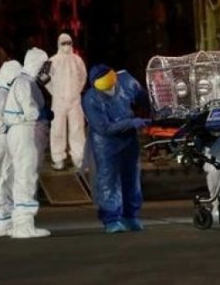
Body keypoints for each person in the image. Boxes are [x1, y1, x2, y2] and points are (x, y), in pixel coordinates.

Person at [81, 65, 150, 233]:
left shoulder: (126, 81)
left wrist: (151, 111)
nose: (111, 89)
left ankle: (130, 215)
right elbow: (104, 128)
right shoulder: (90, 99)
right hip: (105, 143)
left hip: (129, 140)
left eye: (112, 83)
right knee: (108, 179)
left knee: (131, 177)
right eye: (105, 86)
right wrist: (131, 122)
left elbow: (144, 98)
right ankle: (111, 218)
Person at [4, 47, 52, 239]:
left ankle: (21, 223)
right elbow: (31, 111)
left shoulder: (26, 82)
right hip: (25, 132)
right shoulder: (24, 83)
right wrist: (42, 115)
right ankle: (24, 225)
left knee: (24, 176)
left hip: (23, 132)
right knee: (26, 176)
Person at [0, 60, 22, 237]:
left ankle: (8, 219)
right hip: (2, 140)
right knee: (2, 180)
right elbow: (8, 119)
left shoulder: (3, 94)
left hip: (5, 139)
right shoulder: (1, 96)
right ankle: (2, 221)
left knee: (9, 180)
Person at [47, 33, 87, 171]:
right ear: (59, 44)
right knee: (57, 130)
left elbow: (83, 77)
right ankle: (58, 159)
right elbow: (42, 77)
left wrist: (77, 91)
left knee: (77, 130)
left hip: (75, 101)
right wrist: (54, 92)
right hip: (58, 102)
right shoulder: (51, 61)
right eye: (63, 43)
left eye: (68, 42)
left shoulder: (78, 60)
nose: (66, 46)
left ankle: (78, 158)